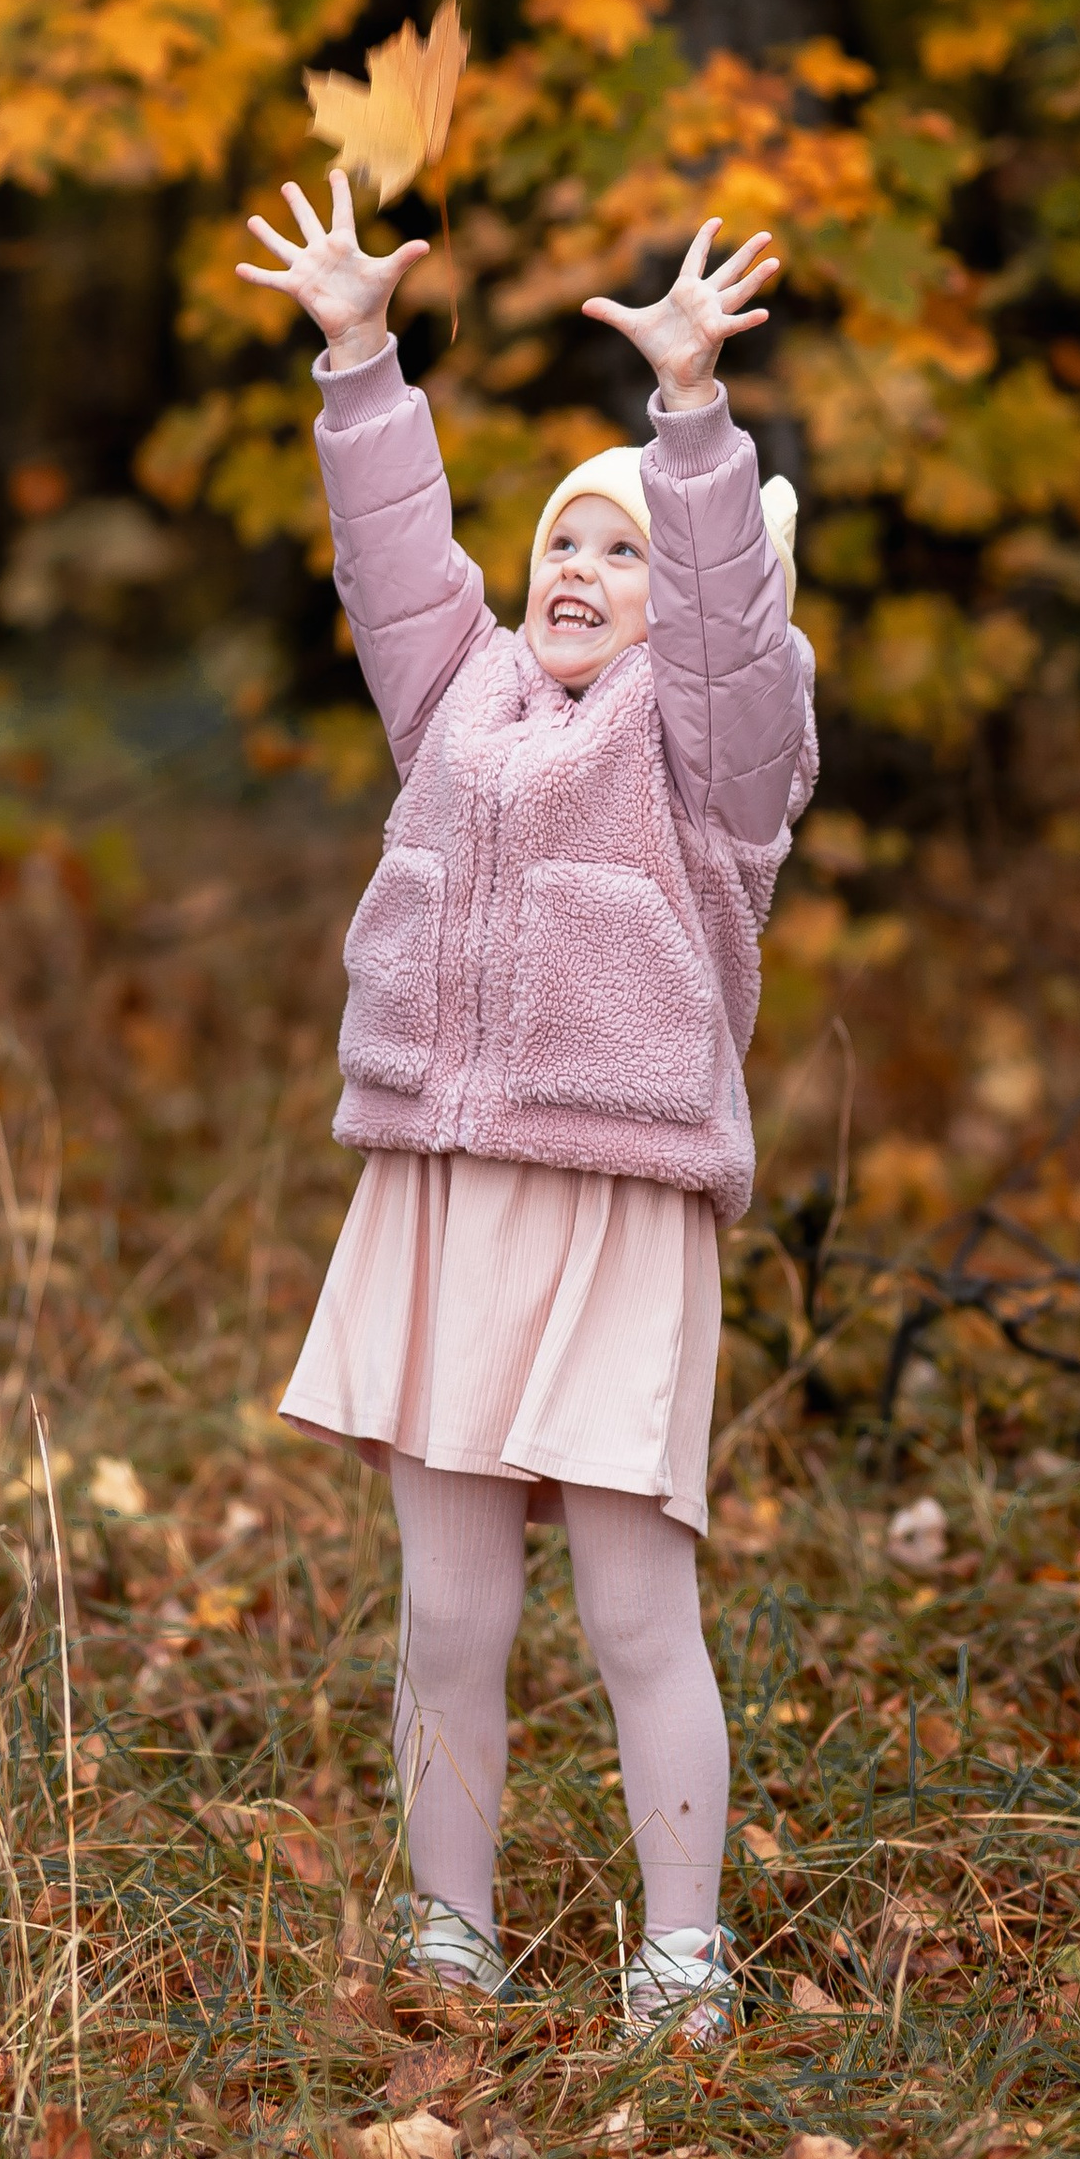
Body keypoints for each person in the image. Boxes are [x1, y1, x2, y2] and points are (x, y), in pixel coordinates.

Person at [238, 172, 813, 2044]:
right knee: (450, 1611)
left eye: (619, 551)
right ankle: (449, 1932)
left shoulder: (717, 762)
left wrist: (692, 423)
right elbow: (398, 561)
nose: (574, 570)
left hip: (616, 1201)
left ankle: (683, 1955)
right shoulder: (466, 705)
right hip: (446, 1195)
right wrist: (356, 357)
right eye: (562, 541)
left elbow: (726, 631)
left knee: (636, 1615)